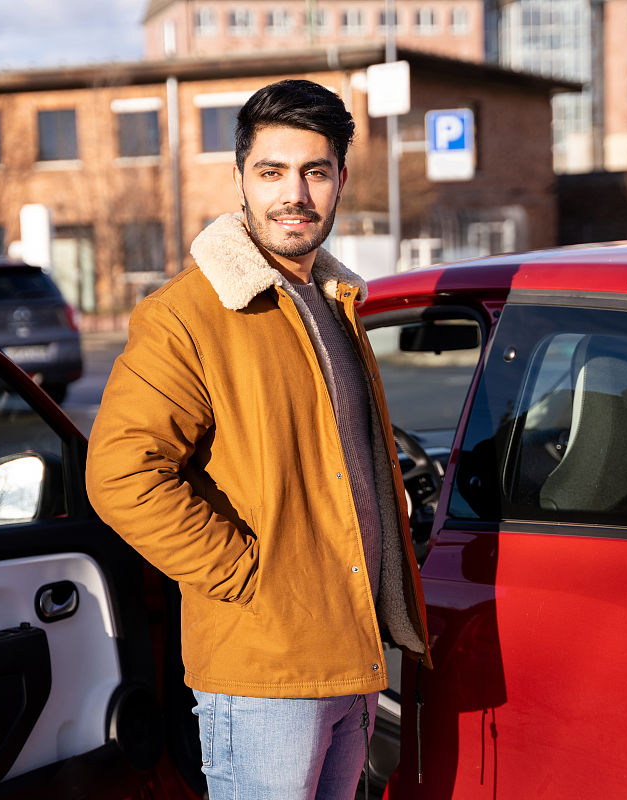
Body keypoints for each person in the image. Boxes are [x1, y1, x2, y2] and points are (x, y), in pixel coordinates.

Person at [85, 78, 430, 800]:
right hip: (267, 667)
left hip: (352, 655)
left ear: (339, 179)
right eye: (271, 172)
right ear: (240, 179)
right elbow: (122, 476)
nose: (293, 193)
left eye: (315, 171)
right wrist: (247, 575)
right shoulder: (187, 316)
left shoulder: (333, 303)